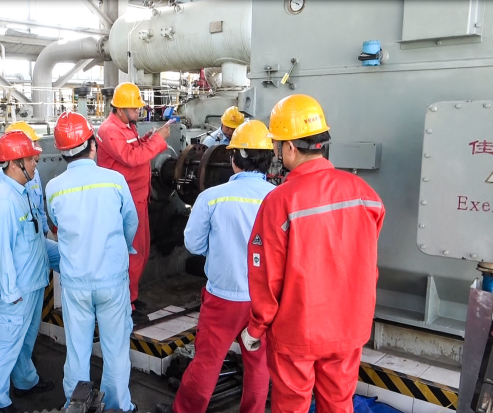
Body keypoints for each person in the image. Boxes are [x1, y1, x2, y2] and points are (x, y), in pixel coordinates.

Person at [241, 94, 385, 413]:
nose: (276, 151)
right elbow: (365, 258)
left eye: (277, 144)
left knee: (292, 405)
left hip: (298, 331)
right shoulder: (365, 194)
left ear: (291, 148)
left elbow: (267, 278)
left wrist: (256, 328)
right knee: (338, 402)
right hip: (349, 326)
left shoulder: (280, 201)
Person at [156, 121, 275, 413]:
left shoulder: (212, 197)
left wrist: (219, 250)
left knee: (207, 362)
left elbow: (194, 244)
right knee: (258, 363)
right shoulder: (278, 198)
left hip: (223, 297)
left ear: (234, 158)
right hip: (262, 300)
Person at [45, 112, 139, 412]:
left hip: (75, 283)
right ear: (93, 145)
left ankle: (75, 406)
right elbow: (131, 222)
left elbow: (56, 226)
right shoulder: (115, 181)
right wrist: (121, 249)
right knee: (115, 350)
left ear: (62, 153)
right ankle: (118, 406)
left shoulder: (53, 188)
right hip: (112, 280)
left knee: (77, 351)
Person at [0, 131, 58, 413]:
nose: (36, 163)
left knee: (25, 341)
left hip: (33, 282)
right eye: (31, 159)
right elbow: (1, 253)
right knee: (6, 345)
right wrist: (10, 293)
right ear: (16, 163)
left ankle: (25, 382)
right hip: (17, 290)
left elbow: (34, 236)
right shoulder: (4, 201)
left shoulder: (22, 191)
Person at [96, 82, 171, 323]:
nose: (139, 112)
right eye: (135, 109)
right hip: (124, 202)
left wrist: (148, 138)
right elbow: (130, 157)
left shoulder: (126, 127)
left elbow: (134, 149)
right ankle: (125, 303)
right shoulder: (110, 130)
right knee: (132, 253)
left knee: (141, 251)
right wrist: (157, 141)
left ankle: (132, 296)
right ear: (120, 109)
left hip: (138, 198)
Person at [0, 121, 49, 236]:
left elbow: (40, 209)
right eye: (34, 143)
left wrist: (46, 231)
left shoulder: (34, 173)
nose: (38, 148)